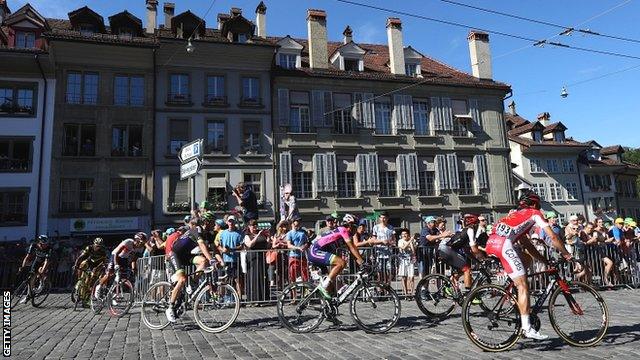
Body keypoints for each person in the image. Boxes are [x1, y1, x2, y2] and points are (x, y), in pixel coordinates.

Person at [484, 189, 574, 340]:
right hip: (503, 245)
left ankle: (513, 285)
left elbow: (526, 244)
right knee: (523, 285)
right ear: (534, 204)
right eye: (538, 205)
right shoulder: (534, 213)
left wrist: (544, 261)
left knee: (527, 259)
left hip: (492, 242)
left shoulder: (516, 215)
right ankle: (527, 328)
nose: (539, 209)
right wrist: (566, 253)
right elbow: (552, 236)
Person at [165, 215, 220, 322]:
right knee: (182, 279)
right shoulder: (196, 230)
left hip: (187, 256)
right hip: (175, 255)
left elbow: (215, 250)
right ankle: (170, 307)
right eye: (213, 222)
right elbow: (203, 246)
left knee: (203, 261)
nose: (214, 225)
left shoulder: (209, 234)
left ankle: (192, 283)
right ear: (207, 222)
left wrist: (221, 262)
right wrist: (212, 260)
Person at [308, 214, 365, 302]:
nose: (356, 230)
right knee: (341, 263)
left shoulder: (346, 234)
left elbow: (353, 253)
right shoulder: (343, 230)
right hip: (315, 251)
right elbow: (352, 247)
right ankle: (324, 286)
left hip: (320, 252)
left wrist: (361, 263)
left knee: (330, 291)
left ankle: (327, 309)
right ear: (350, 225)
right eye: (355, 227)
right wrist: (362, 263)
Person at [437, 214, 484, 298]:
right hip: (446, 249)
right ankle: (469, 295)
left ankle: (449, 283)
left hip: (445, 249)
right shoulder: (470, 230)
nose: (478, 226)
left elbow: (467, 251)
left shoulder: (465, 230)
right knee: (467, 269)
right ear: (474, 224)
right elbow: (474, 249)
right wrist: (483, 258)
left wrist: (477, 260)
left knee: (462, 269)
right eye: (477, 224)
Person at [95, 232, 146, 298]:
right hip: (115, 256)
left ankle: (114, 293)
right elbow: (116, 253)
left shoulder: (140, 248)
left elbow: (134, 259)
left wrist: (134, 268)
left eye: (143, 243)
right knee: (110, 274)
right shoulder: (128, 242)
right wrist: (116, 264)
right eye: (141, 242)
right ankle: (99, 286)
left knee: (123, 276)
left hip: (124, 258)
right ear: (137, 240)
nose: (142, 245)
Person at [73, 237, 107, 306]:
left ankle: (85, 300)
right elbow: (80, 257)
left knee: (91, 282)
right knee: (83, 264)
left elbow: (104, 262)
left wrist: (103, 269)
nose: (98, 247)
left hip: (97, 264)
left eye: (99, 246)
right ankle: (79, 279)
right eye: (96, 245)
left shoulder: (103, 251)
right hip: (89, 261)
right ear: (94, 244)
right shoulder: (89, 248)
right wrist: (76, 265)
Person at [17, 235, 52, 302]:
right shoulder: (33, 245)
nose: (46, 245)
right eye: (44, 244)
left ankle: (41, 282)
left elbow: (46, 261)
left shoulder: (49, 248)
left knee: (41, 270)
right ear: (40, 243)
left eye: (47, 244)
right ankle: (28, 295)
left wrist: (42, 272)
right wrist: (22, 267)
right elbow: (27, 257)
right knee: (30, 279)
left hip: (46, 262)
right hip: (37, 261)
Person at [243, 219, 270, 304]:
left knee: (262, 277)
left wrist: (268, 238)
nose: (254, 227)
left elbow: (267, 245)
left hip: (261, 258)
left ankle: (263, 298)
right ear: (249, 227)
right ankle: (253, 299)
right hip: (252, 258)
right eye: (252, 226)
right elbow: (250, 244)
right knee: (253, 277)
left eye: (255, 225)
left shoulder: (262, 235)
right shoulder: (247, 235)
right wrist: (257, 235)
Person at [219, 215, 245, 301]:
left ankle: (239, 298)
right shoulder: (223, 233)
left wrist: (231, 249)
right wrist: (222, 249)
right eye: (229, 221)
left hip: (235, 260)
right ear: (227, 222)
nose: (231, 223)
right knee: (223, 279)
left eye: (232, 221)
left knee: (237, 280)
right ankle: (221, 298)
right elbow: (218, 245)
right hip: (225, 260)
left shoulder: (238, 233)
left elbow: (241, 246)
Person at [370, 212, 396, 284]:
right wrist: (381, 241)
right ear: (379, 218)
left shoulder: (391, 227)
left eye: (384, 218)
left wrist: (390, 242)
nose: (383, 219)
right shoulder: (376, 227)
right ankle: (380, 288)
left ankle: (387, 286)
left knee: (390, 270)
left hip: (389, 253)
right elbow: (373, 240)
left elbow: (394, 240)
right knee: (380, 271)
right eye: (381, 217)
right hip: (379, 252)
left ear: (387, 218)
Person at [286, 215, 309, 284]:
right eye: (297, 221)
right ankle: (293, 293)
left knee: (305, 275)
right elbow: (289, 245)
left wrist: (304, 246)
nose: (299, 223)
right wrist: (298, 248)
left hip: (302, 257)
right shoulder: (289, 233)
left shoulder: (303, 232)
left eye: (299, 221)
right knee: (292, 276)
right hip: (293, 257)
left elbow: (307, 243)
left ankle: (306, 291)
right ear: (293, 223)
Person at [269, 220, 289, 288]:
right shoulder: (276, 235)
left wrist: (284, 244)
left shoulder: (288, 234)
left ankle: (284, 283)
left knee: (285, 270)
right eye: (283, 226)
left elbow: (290, 244)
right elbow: (273, 245)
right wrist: (277, 245)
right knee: (278, 270)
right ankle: (279, 284)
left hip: (286, 254)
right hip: (278, 254)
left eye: (285, 226)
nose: (284, 228)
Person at [397, 229, 416, 297]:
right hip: (403, 260)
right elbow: (403, 248)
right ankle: (406, 293)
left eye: (405, 234)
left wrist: (411, 242)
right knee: (404, 277)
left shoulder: (411, 241)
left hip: (410, 260)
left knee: (411, 277)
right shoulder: (400, 241)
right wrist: (410, 241)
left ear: (408, 235)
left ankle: (412, 293)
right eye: (403, 234)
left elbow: (413, 251)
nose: (404, 235)